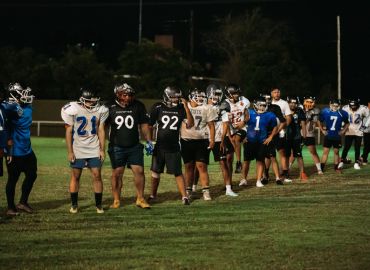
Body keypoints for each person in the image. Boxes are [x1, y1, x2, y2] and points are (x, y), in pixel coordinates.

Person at [105, 83, 152, 209]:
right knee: (117, 173)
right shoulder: (109, 106)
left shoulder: (138, 105)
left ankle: (140, 199)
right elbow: (101, 126)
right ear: (118, 94)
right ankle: (116, 200)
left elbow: (143, 124)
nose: (128, 97)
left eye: (130, 95)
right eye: (125, 95)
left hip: (134, 146)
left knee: (139, 171)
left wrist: (149, 141)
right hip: (116, 146)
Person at [61, 89, 108, 214]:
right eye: (89, 100)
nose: (92, 103)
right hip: (78, 148)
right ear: (82, 99)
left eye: (93, 101)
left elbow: (101, 130)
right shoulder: (73, 109)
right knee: (76, 176)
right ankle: (74, 204)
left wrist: (102, 149)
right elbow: (69, 131)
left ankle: (99, 205)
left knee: (97, 175)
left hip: (94, 147)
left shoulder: (100, 110)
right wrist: (70, 151)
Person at [148, 86, 194, 205]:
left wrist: (187, 107)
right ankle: (153, 195)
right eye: (174, 97)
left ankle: (184, 197)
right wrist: (149, 141)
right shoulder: (158, 107)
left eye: (178, 97)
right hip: (159, 146)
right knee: (155, 172)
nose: (176, 99)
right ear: (167, 96)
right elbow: (150, 125)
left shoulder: (180, 108)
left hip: (173, 146)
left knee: (177, 172)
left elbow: (190, 124)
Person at [5, 83, 37, 216]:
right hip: (14, 151)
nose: (25, 96)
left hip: (27, 150)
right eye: (20, 93)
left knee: (32, 174)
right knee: (13, 179)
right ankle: (11, 207)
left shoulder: (26, 107)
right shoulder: (7, 109)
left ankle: (23, 202)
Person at [180, 88, 217, 201]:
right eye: (198, 96)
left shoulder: (207, 108)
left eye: (202, 96)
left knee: (202, 166)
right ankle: (188, 190)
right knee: (188, 167)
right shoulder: (183, 107)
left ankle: (206, 190)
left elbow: (211, 125)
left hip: (202, 140)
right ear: (191, 96)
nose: (201, 99)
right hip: (186, 140)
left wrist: (212, 140)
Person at [206, 83, 238, 196]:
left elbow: (225, 124)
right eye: (215, 93)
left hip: (219, 138)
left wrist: (223, 139)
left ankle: (228, 189)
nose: (217, 96)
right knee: (199, 164)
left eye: (219, 94)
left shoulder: (224, 105)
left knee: (223, 162)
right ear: (208, 93)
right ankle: (193, 188)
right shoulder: (203, 105)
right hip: (204, 137)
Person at [242, 97, 277, 187]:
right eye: (260, 105)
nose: (262, 107)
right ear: (255, 105)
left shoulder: (270, 115)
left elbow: (275, 127)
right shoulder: (249, 112)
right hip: (249, 141)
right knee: (246, 161)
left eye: (263, 105)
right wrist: (244, 136)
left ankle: (258, 180)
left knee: (260, 161)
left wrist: (270, 137)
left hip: (261, 141)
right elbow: (243, 124)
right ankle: (244, 179)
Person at [259, 93, 286, 185]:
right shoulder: (257, 109)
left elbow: (282, 121)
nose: (267, 100)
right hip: (261, 136)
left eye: (268, 98)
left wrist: (276, 132)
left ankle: (278, 177)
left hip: (272, 135)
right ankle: (264, 176)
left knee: (272, 156)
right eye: (265, 99)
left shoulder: (274, 108)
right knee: (262, 157)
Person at [223, 84, 250, 174]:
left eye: (237, 93)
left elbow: (247, 115)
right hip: (230, 128)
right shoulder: (225, 103)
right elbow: (225, 121)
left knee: (236, 139)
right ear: (229, 94)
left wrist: (244, 122)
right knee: (228, 157)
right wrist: (229, 134)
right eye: (234, 93)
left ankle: (238, 162)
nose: (237, 95)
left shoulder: (243, 101)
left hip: (242, 127)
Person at [319, 98, 349, 173]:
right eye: (333, 105)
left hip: (337, 136)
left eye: (336, 106)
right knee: (325, 152)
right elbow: (319, 121)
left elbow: (347, 123)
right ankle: (321, 169)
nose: (334, 107)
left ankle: (336, 168)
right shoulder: (325, 111)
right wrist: (322, 130)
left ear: (339, 106)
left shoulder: (343, 113)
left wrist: (343, 131)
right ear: (330, 104)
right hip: (328, 135)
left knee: (336, 152)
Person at [339, 98, 369, 170]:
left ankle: (356, 163)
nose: (353, 107)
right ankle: (342, 161)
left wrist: (364, 126)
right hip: (349, 130)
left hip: (358, 131)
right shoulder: (345, 108)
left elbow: (369, 117)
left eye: (355, 106)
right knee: (346, 147)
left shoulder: (363, 108)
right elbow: (342, 117)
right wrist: (343, 125)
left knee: (357, 148)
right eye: (351, 106)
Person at [270, 88, 292, 181]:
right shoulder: (267, 103)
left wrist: (281, 128)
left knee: (282, 152)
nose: (277, 94)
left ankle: (285, 174)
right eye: (275, 92)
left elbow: (289, 118)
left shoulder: (284, 103)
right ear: (271, 94)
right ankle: (265, 175)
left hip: (280, 132)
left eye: (278, 92)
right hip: (269, 132)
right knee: (269, 155)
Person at [285, 96, 308, 181]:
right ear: (288, 103)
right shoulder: (284, 110)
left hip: (296, 137)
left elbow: (303, 125)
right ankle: (286, 173)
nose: (293, 104)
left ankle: (302, 173)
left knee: (299, 156)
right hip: (286, 137)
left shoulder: (299, 111)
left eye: (294, 103)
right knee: (286, 156)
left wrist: (304, 137)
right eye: (291, 102)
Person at [302, 95, 323, 174]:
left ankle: (319, 169)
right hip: (300, 134)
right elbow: (301, 124)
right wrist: (308, 117)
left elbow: (316, 121)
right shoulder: (300, 110)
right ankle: (287, 170)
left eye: (311, 102)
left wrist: (321, 129)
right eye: (307, 101)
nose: (309, 103)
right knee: (294, 154)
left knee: (313, 152)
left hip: (310, 134)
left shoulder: (316, 110)